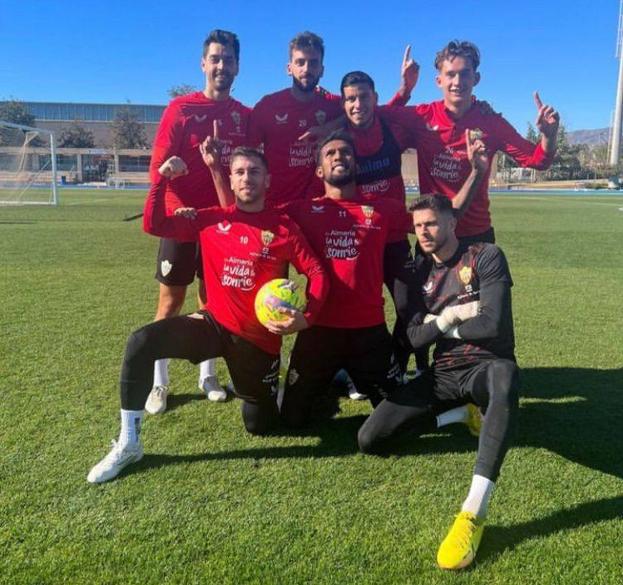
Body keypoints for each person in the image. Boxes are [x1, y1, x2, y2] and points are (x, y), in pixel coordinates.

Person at [86, 147, 329, 484]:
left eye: (254, 171)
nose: (247, 178)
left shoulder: (283, 227)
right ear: (231, 179)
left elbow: (317, 272)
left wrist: (307, 316)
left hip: (257, 340)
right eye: (240, 172)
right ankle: (130, 442)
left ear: (267, 180)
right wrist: (161, 180)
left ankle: (273, 387)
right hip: (214, 325)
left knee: (259, 426)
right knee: (142, 341)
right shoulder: (209, 219)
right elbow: (154, 224)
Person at [357, 193, 519, 570]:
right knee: (370, 440)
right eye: (418, 226)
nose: (424, 232)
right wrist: (451, 317)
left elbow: (492, 323)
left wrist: (437, 328)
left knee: (505, 380)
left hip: (486, 363)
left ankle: (473, 511)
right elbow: (411, 338)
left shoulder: (485, 256)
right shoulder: (417, 275)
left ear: (451, 223)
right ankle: (463, 416)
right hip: (444, 374)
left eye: (431, 223)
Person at [339, 70, 486, 381]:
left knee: (411, 306)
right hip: (359, 243)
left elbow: (420, 125)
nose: (357, 104)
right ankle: (354, 370)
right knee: (357, 311)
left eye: (364, 97)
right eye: (350, 99)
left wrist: (475, 107)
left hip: (394, 239)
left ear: (375, 99)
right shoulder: (340, 143)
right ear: (343, 103)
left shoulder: (393, 132)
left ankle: (416, 367)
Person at [146, 29, 251, 412]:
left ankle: (208, 375)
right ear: (204, 63)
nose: (222, 66)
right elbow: (158, 167)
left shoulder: (244, 116)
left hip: (219, 227)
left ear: (238, 66)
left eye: (229, 60)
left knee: (213, 304)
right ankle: (159, 383)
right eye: (216, 59)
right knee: (171, 303)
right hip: (182, 221)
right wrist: (171, 186)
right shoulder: (181, 110)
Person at [384, 39, 560, 243]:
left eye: (465, 73)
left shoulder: (492, 123)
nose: (457, 82)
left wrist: (549, 135)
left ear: (476, 78)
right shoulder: (421, 116)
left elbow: (538, 161)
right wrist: (405, 90)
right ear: (439, 80)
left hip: (476, 237)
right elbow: (377, 116)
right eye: (450, 74)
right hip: (433, 236)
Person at [247, 32, 417, 204]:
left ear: (322, 69)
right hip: (278, 206)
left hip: (324, 210)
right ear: (289, 68)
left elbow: (368, 111)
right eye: (300, 62)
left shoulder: (334, 105)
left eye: (313, 63)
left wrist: (404, 91)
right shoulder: (267, 107)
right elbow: (245, 154)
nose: (306, 69)